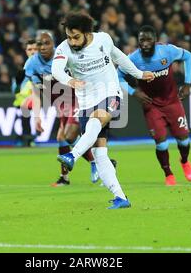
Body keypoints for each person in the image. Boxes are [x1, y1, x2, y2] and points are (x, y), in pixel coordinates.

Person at [52, 12, 154, 209]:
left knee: (97, 118)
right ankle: (121, 197)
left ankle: (72, 155)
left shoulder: (103, 39)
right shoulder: (64, 48)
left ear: (87, 33)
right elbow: (56, 70)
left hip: (109, 94)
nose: (72, 41)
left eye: (76, 37)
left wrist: (139, 74)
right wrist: (69, 80)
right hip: (84, 102)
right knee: (100, 153)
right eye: (68, 37)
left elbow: (118, 56)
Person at [118, 25, 191, 186]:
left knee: (183, 140)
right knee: (161, 142)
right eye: (141, 41)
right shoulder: (133, 59)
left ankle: (185, 161)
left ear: (155, 40)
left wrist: (187, 84)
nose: (145, 44)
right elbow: (118, 77)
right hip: (151, 105)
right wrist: (134, 92)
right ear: (138, 42)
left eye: (148, 40)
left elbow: (188, 56)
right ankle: (168, 174)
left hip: (172, 102)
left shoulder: (167, 51)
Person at [24, 30, 100, 186]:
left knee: (69, 137)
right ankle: (65, 177)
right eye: (39, 44)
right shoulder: (32, 63)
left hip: (77, 99)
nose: (43, 47)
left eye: (47, 43)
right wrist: (37, 116)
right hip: (61, 104)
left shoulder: (64, 55)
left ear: (54, 44)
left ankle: (96, 162)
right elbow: (37, 91)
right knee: (61, 138)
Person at [12, 39, 38, 147]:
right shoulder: (22, 69)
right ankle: (27, 139)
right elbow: (15, 87)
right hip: (27, 101)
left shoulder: (47, 65)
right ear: (26, 51)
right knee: (25, 118)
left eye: (35, 49)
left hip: (43, 98)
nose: (32, 52)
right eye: (30, 49)